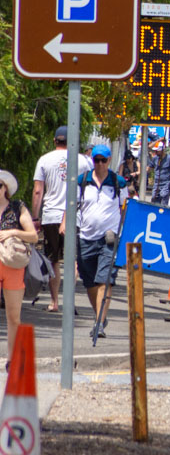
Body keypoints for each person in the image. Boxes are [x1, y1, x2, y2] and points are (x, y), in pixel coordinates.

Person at [32, 125, 92, 313]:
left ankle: (54, 302)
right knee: (72, 260)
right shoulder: (85, 161)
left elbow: (38, 190)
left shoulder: (45, 159)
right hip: (76, 215)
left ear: (54, 141)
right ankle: (69, 300)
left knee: (53, 260)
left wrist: (35, 217)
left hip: (51, 215)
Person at [72, 144, 127, 335]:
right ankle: (101, 317)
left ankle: (98, 324)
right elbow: (71, 205)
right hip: (86, 237)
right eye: (97, 160)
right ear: (92, 160)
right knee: (90, 282)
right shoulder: (82, 181)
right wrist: (65, 223)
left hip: (109, 239)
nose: (100, 164)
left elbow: (125, 209)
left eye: (104, 160)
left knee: (105, 280)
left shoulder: (118, 182)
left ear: (109, 160)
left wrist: (123, 231)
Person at [0, 170, 38, 366]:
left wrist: (12, 232)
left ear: (5, 188)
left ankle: (12, 358)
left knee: (13, 315)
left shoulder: (17, 208)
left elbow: (33, 236)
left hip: (13, 264)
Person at [147, 139, 170, 206]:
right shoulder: (155, 158)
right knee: (154, 200)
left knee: (164, 198)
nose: (156, 152)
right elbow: (149, 168)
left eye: (157, 151)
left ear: (162, 150)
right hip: (157, 184)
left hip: (166, 183)